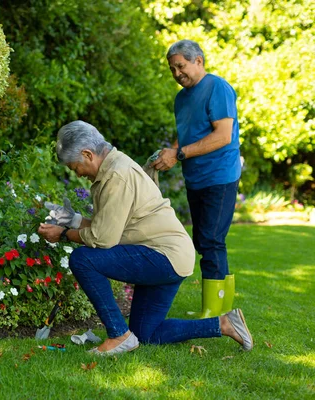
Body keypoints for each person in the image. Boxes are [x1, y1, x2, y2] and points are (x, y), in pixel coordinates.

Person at [38, 120, 252, 355]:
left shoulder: (116, 176)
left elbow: (103, 239)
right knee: (145, 333)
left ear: (87, 154)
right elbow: (108, 227)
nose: (76, 173)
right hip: (170, 255)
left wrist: (65, 234)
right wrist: (72, 219)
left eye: (74, 167)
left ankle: (118, 335)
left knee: (82, 259)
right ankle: (224, 324)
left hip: (162, 256)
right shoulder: (113, 167)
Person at [151, 39, 241, 318]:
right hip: (196, 178)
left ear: (198, 61)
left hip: (220, 176)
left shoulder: (217, 88)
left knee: (211, 240)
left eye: (181, 66)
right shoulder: (181, 99)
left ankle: (213, 313)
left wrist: (179, 155)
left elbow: (223, 136)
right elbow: (187, 133)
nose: (177, 73)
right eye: (172, 69)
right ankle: (222, 308)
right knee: (205, 242)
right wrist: (171, 152)